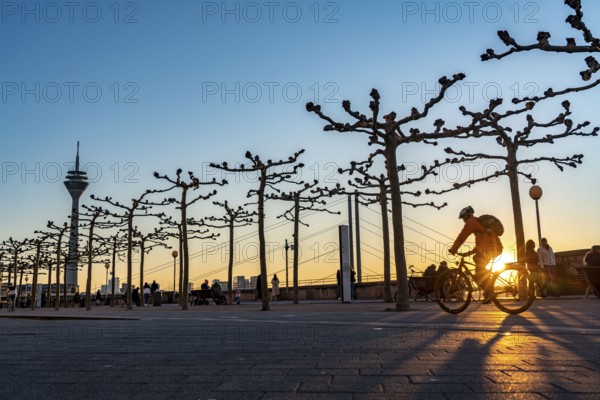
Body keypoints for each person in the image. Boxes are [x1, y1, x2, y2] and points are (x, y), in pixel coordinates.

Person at [449, 206, 502, 303]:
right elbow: (481, 243)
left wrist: (453, 249)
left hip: (490, 249)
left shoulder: (471, 222)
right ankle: (488, 293)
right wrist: (469, 253)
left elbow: (462, 236)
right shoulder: (477, 223)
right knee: (477, 262)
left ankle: (489, 292)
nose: (463, 221)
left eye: (463, 218)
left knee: (478, 272)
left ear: (466, 216)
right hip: (491, 248)